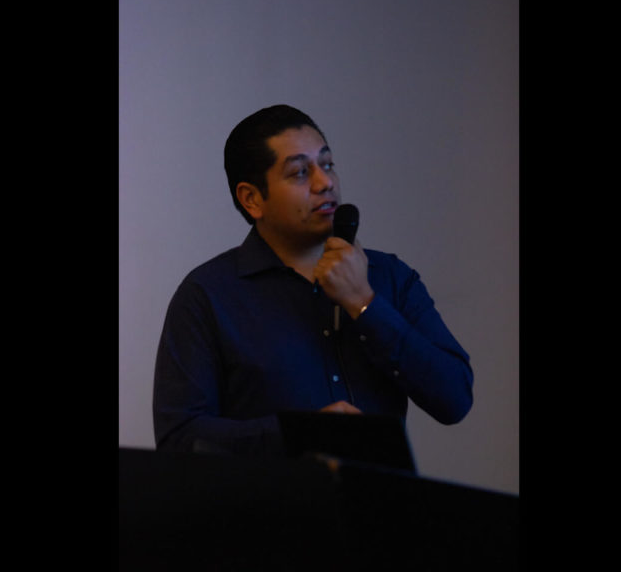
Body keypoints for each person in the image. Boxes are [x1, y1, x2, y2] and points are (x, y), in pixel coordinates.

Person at [153, 104, 473, 455]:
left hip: (380, 491)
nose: (325, 183)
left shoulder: (390, 277)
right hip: (272, 492)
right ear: (252, 199)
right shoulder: (208, 295)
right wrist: (300, 433)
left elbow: (455, 399)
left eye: (328, 164)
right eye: (300, 172)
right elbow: (179, 439)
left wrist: (364, 303)